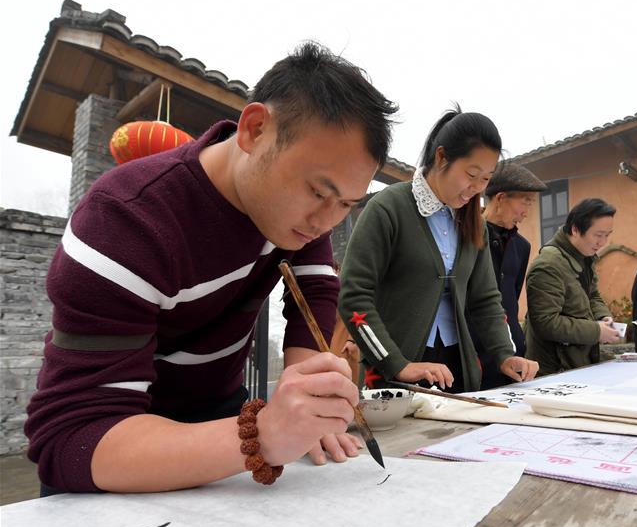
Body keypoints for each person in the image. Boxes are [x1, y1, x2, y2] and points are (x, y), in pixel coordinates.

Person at [24, 42, 398, 493]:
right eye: (320, 192)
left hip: (221, 417)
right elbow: (71, 440)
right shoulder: (125, 221)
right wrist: (263, 435)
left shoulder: (298, 218)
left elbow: (316, 292)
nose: (326, 221)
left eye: (347, 204)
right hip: (122, 450)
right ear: (255, 129)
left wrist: (310, 402)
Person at [338, 107, 539, 394]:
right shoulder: (388, 209)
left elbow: (485, 299)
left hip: (457, 368)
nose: (476, 188)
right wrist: (398, 364)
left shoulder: (473, 223)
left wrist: (505, 354)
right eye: (471, 174)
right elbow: (354, 295)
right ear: (442, 157)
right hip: (394, 373)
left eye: (485, 179)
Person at [470, 162, 546, 389]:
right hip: (475, 351)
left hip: (513, 352)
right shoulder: (467, 238)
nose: (526, 211)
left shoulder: (521, 247)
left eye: (531, 203)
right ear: (501, 197)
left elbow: (510, 300)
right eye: (525, 201)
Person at [525, 198, 621, 376]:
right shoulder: (549, 264)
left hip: (577, 363)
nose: (603, 242)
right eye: (598, 235)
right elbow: (545, 322)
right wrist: (596, 331)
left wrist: (603, 316)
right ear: (575, 229)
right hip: (554, 369)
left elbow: (592, 295)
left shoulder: (584, 257)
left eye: (607, 235)